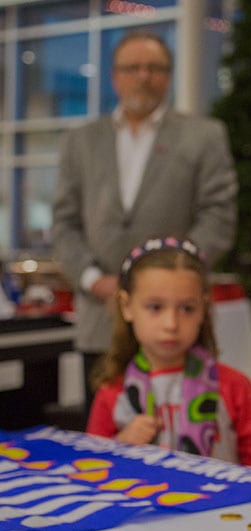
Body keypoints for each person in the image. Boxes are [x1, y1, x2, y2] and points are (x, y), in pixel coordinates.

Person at [51, 30, 237, 418]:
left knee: (179, 439)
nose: (143, 76)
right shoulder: (81, 140)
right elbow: (64, 223)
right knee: (104, 446)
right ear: (115, 76)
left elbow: (218, 218)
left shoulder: (203, 136)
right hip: (100, 319)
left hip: (175, 323)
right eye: (132, 68)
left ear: (167, 76)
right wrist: (91, 279)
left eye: (153, 68)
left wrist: (169, 281)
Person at [86, 237, 251, 470]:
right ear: (127, 306)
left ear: (203, 309)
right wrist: (121, 444)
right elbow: (92, 470)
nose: (171, 323)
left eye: (187, 308)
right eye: (155, 307)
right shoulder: (111, 393)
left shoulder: (235, 387)